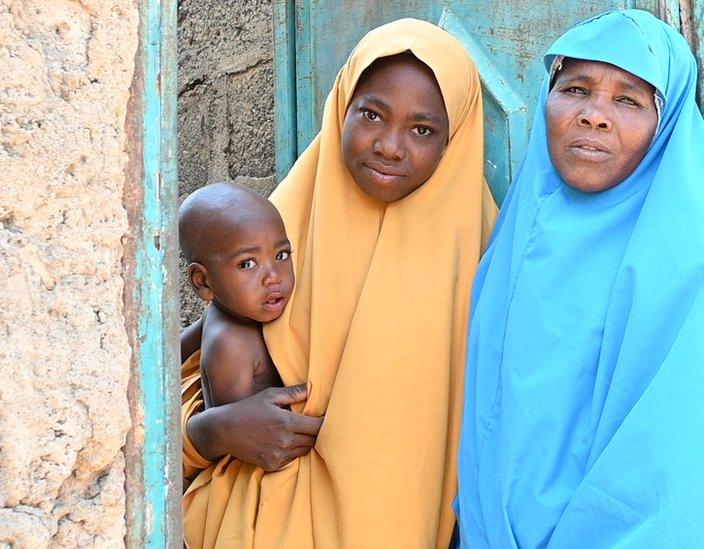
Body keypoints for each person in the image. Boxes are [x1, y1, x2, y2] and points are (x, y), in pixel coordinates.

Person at [456, 10, 704, 547]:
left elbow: (690, 484)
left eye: (628, 100)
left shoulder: (692, 266)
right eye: (575, 89)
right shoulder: (516, 242)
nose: (594, 115)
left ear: (665, 125)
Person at [180, 19, 496, 548]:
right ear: (341, 106)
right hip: (251, 527)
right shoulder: (272, 236)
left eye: (422, 130)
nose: (390, 146)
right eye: (371, 115)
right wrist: (215, 432)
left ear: (456, 137)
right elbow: (172, 400)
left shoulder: (485, 264)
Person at [178, 182, 293, 412]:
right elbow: (244, 435)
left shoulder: (219, 311)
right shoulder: (231, 344)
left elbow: (172, 353)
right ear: (203, 282)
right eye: (247, 263)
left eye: (281, 255)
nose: (273, 276)